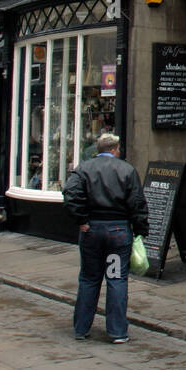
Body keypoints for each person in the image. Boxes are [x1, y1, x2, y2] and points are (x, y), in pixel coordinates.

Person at [63, 132, 148, 343]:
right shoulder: (126, 170)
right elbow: (137, 203)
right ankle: (117, 331)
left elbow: (70, 193)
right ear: (114, 150)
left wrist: (81, 220)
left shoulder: (84, 169)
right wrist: (140, 229)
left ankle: (81, 329)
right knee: (116, 279)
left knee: (89, 279)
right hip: (118, 232)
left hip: (91, 231)